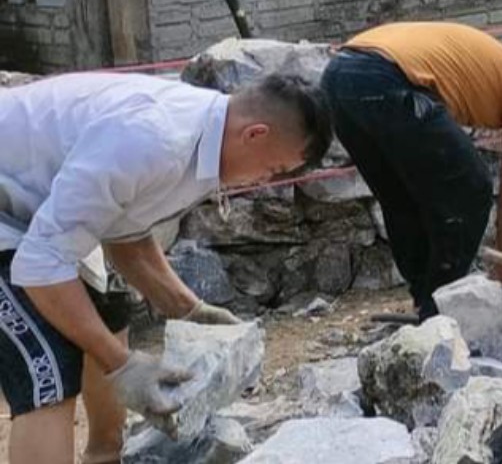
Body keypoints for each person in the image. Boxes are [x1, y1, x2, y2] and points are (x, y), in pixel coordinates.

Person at [0, 72, 331, 464]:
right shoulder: (154, 138)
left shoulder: (202, 142)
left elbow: (126, 232)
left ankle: (103, 456)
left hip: (36, 214)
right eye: (275, 169)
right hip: (14, 219)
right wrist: (122, 367)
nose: (267, 181)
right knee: (49, 370)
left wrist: (189, 309)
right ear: (255, 134)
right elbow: (41, 264)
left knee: (107, 319)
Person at [321, 22, 502, 316]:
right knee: (471, 188)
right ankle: (438, 307)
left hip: (338, 76)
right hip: (385, 77)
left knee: (402, 197)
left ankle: (425, 304)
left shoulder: (488, 66)